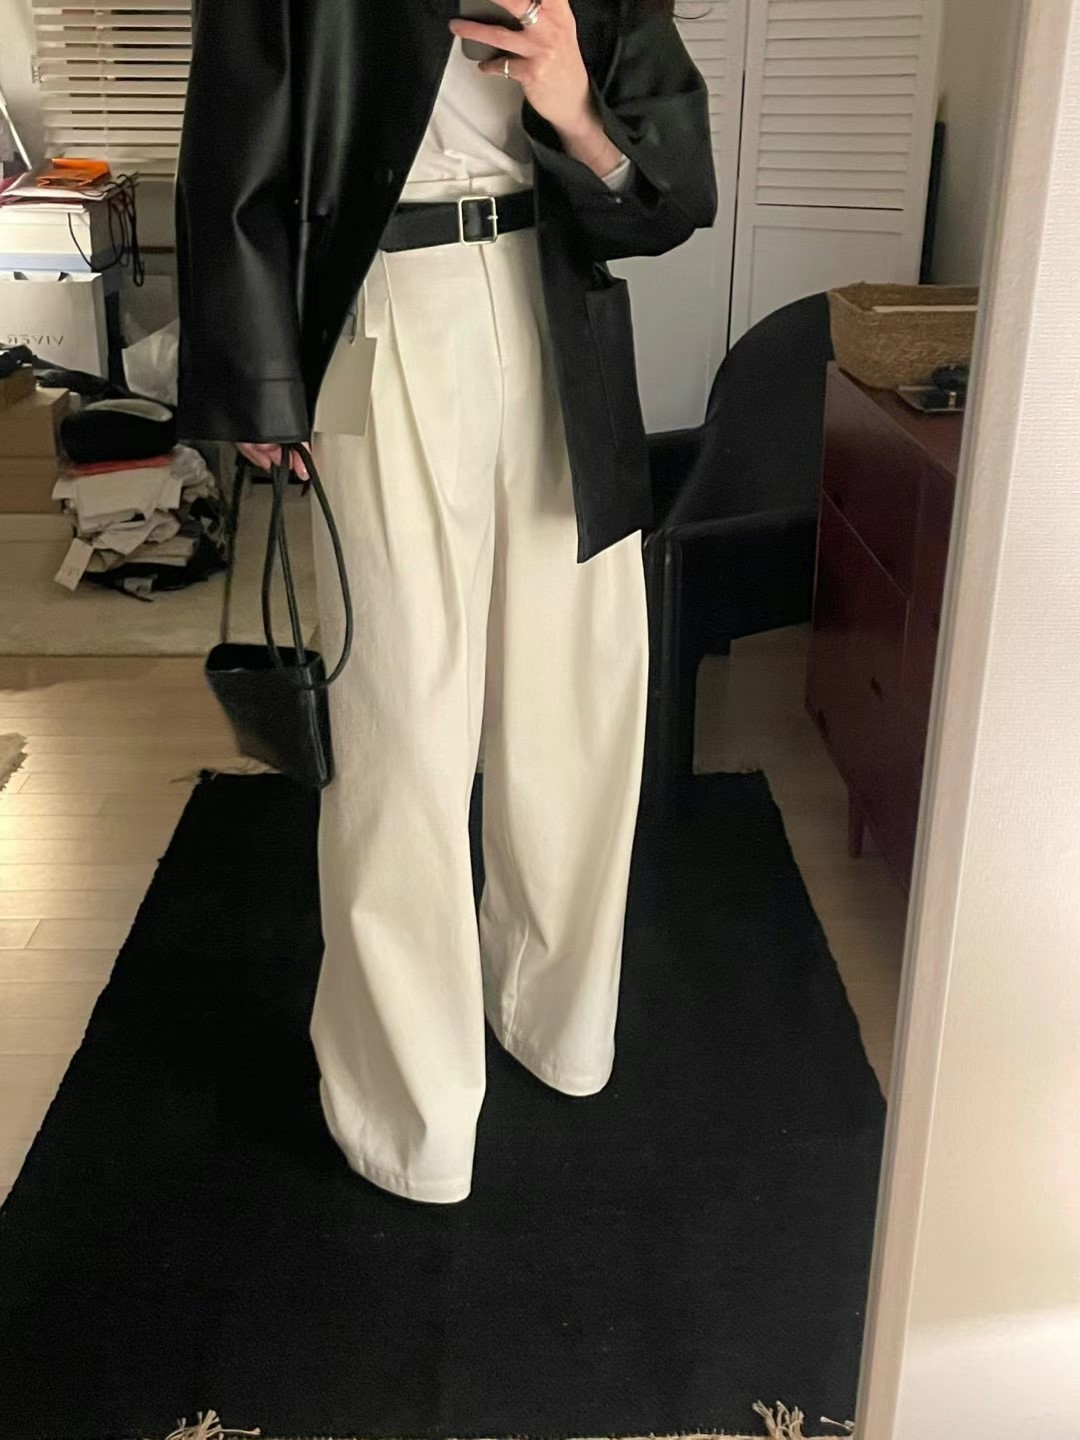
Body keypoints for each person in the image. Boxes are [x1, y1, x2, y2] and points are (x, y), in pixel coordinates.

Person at [175, 0, 717, 1203]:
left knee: (580, 707)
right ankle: (407, 1107)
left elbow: (676, 197)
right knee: (402, 727)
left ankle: (555, 1016)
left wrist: (571, 103)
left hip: (560, 314)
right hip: (381, 311)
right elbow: (231, 147)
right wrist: (259, 379)